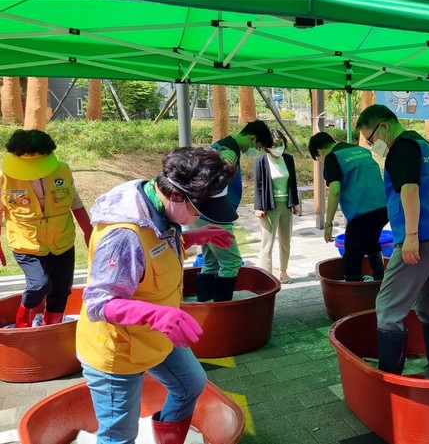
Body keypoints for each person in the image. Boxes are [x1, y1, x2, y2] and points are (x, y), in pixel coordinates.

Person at [76, 147, 236, 444]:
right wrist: (154, 313)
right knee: (119, 434)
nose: (198, 217)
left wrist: (191, 237)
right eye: (197, 210)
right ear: (175, 195)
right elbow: (99, 304)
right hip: (118, 349)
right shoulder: (124, 235)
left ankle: (168, 439)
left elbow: (154, 251)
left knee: (190, 384)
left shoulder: (157, 204)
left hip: (157, 333)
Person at [356, 104, 429, 376]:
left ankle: (389, 378)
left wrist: (411, 236)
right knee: (428, 306)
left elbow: (409, 189)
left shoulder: (401, 147)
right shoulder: (424, 146)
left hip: (421, 238)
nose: (373, 145)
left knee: (388, 306)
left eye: (371, 139)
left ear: (384, 126)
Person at [0, 129, 93, 328]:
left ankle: (51, 327)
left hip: (62, 240)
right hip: (26, 242)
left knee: (61, 289)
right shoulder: (5, 177)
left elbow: (74, 201)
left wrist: (88, 230)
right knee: (39, 284)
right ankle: (22, 324)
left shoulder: (62, 170)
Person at [194, 120, 273, 302]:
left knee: (212, 261)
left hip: (205, 213)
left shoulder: (227, 146)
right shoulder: (227, 151)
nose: (256, 151)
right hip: (214, 214)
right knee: (231, 262)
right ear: (252, 138)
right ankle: (222, 309)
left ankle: (205, 305)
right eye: (258, 146)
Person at [308, 132, 388, 281]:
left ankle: (353, 287)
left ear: (319, 151)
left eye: (319, 159)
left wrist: (328, 223)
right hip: (383, 208)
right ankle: (380, 280)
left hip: (362, 212)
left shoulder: (333, 157)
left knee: (352, 255)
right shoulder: (361, 150)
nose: (322, 161)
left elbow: (335, 191)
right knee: (371, 243)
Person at [253, 129, 300, 283]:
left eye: (281, 144)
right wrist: (258, 207)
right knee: (267, 244)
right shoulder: (261, 161)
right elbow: (258, 185)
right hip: (269, 207)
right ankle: (267, 277)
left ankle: (283, 272)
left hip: (286, 205)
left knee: (285, 242)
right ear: (267, 146)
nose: (278, 147)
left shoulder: (288, 159)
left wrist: (295, 203)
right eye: (274, 145)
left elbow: (293, 182)